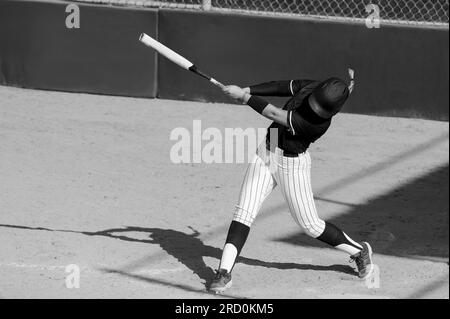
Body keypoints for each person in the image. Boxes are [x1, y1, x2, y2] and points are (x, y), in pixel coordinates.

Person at [209, 70, 374, 293]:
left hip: (291, 164)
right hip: (267, 149)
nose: (312, 107)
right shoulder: (312, 86)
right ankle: (224, 272)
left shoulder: (317, 124)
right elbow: (282, 86)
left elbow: (275, 114)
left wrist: (243, 97)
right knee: (243, 213)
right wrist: (249, 89)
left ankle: (358, 251)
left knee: (310, 225)